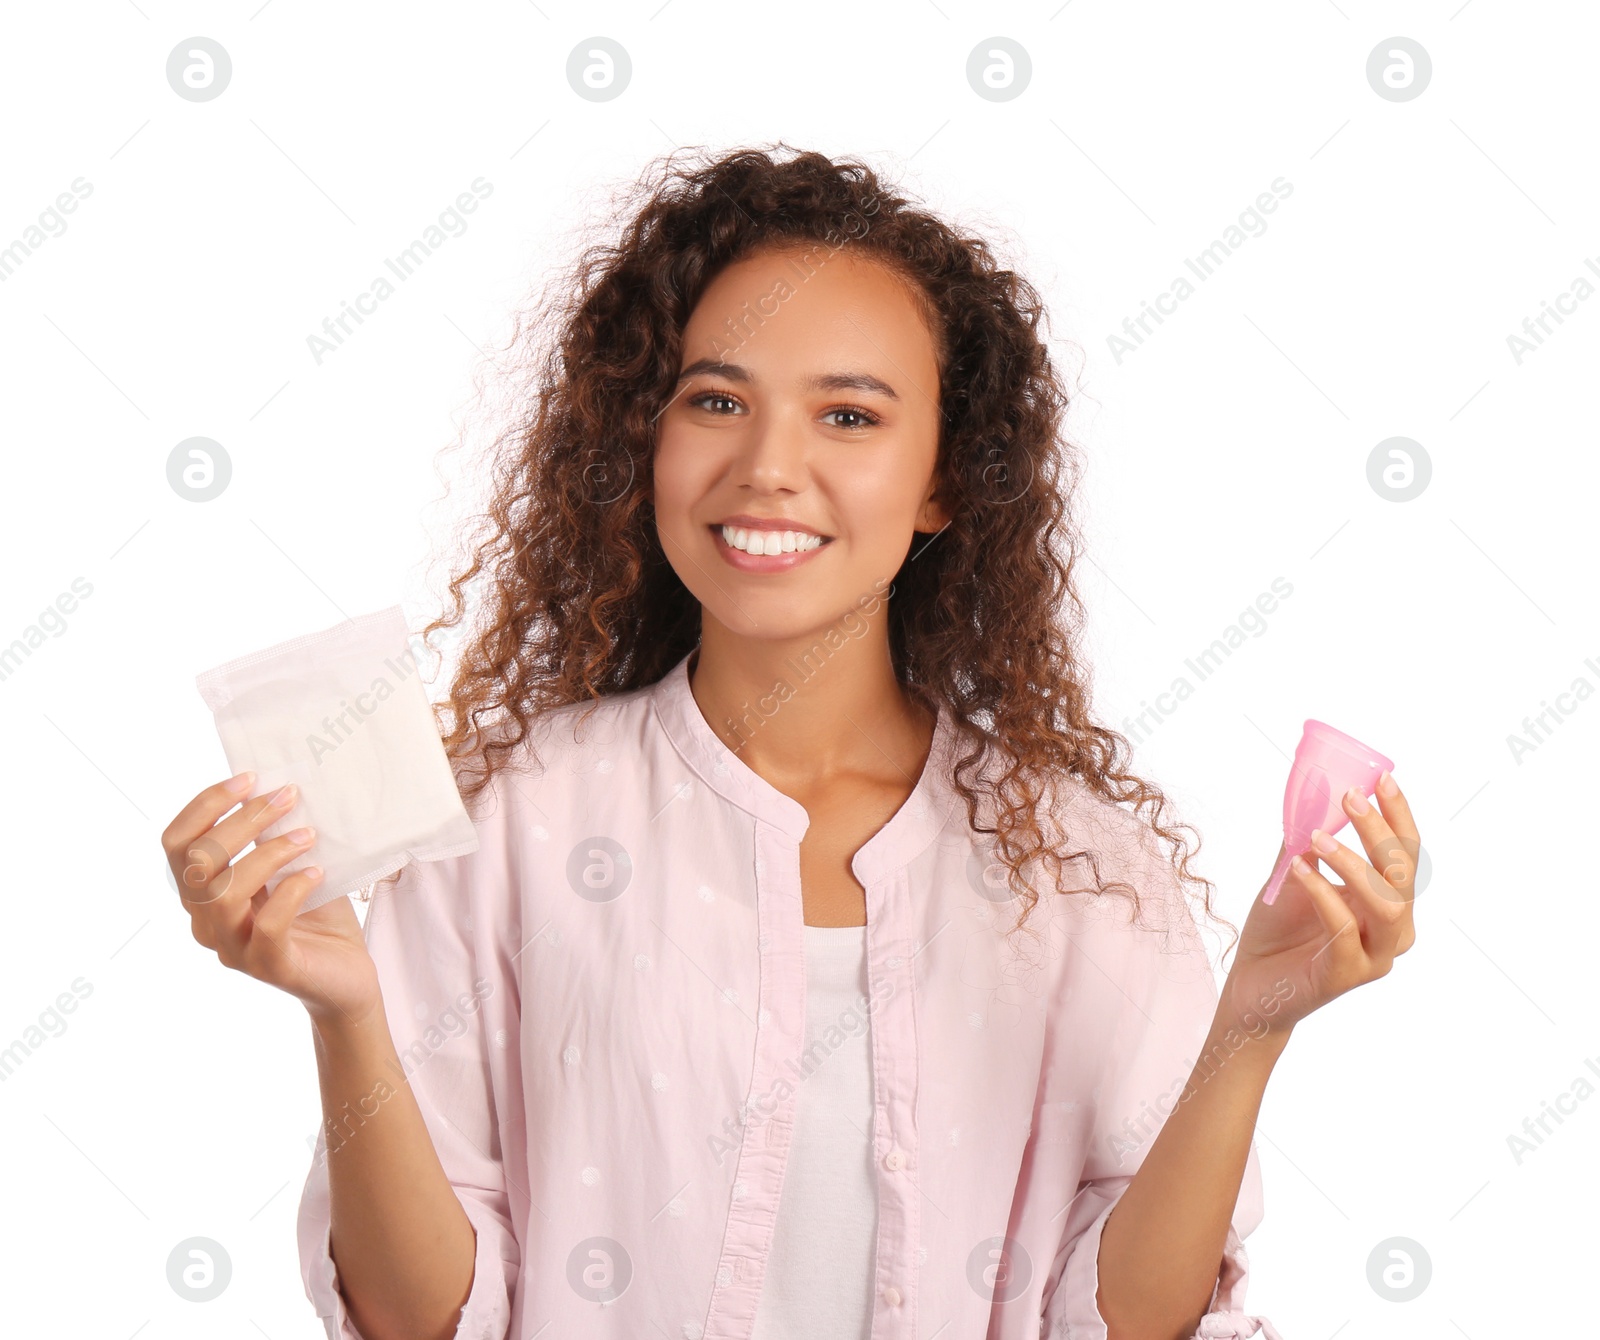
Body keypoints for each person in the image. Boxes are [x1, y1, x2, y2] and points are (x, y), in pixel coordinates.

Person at [162, 145, 1420, 1340]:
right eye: (716, 399)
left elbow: (1121, 1317)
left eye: (850, 417)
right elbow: (421, 1314)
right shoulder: (513, 821)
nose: (769, 467)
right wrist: (345, 1009)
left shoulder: (1078, 870)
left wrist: (1254, 1021)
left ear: (943, 481)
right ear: (642, 442)